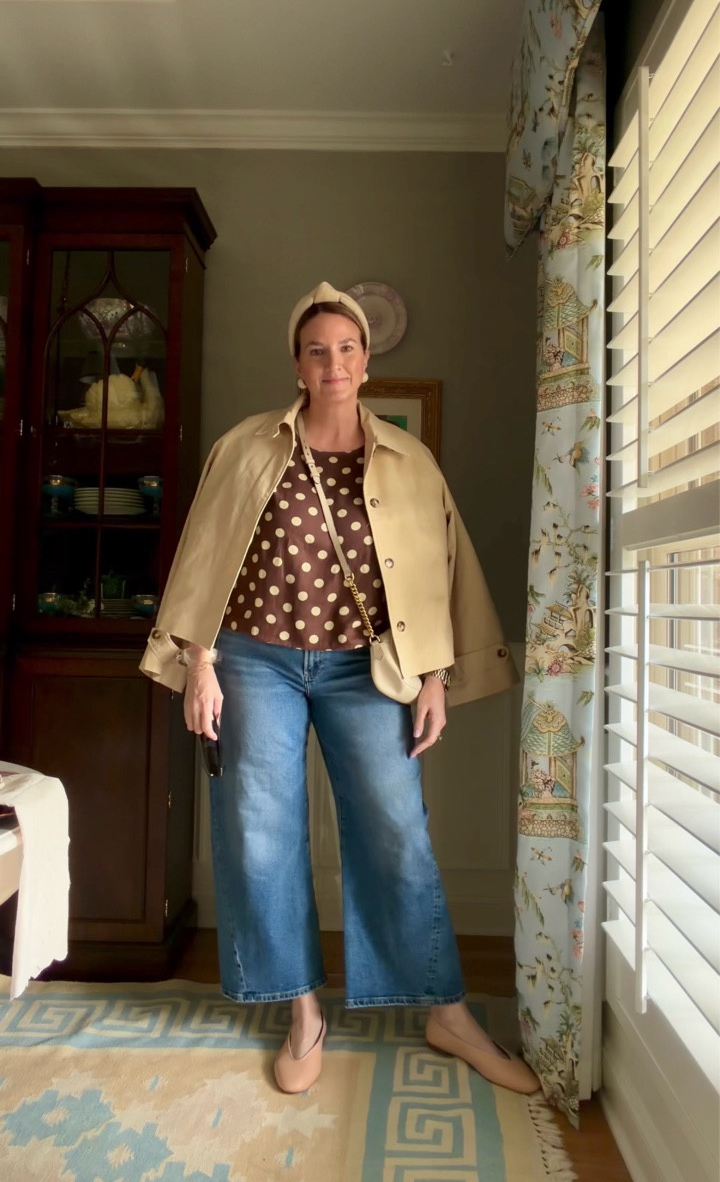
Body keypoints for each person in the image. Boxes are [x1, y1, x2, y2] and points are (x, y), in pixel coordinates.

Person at [140, 280, 539, 1097]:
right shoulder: (247, 447)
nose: (334, 363)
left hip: (368, 667)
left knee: (396, 829)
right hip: (254, 660)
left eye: (347, 348)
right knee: (260, 830)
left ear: (367, 359)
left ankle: (444, 1010)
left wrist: (434, 674)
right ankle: (302, 1012)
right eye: (317, 349)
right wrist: (200, 663)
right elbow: (203, 555)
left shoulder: (408, 459)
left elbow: (435, 573)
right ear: (297, 362)